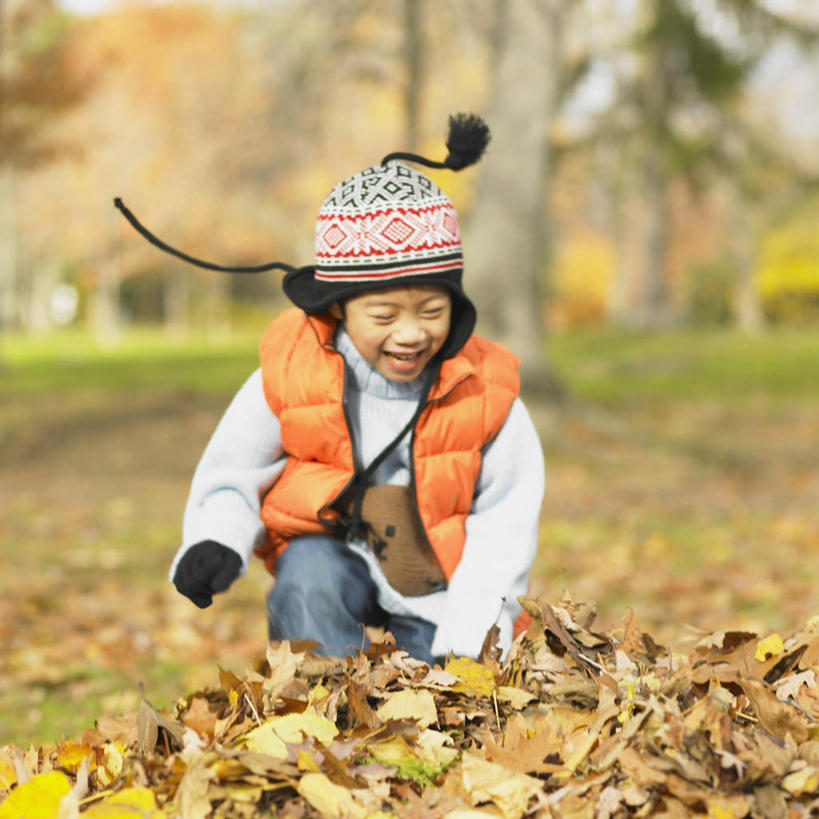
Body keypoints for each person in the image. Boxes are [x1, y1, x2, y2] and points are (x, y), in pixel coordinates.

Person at [117, 114, 545, 664]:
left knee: (443, 684)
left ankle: (436, 689)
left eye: (432, 311)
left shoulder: (486, 393)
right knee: (306, 576)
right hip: (333, 553)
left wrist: (472, 639)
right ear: (339, 306)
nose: (412, 334)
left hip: (440, 581)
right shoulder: (294, 369)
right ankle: (327, 700)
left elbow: (505, 526)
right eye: (385, 314)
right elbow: (233, 469)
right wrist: (217, 538)